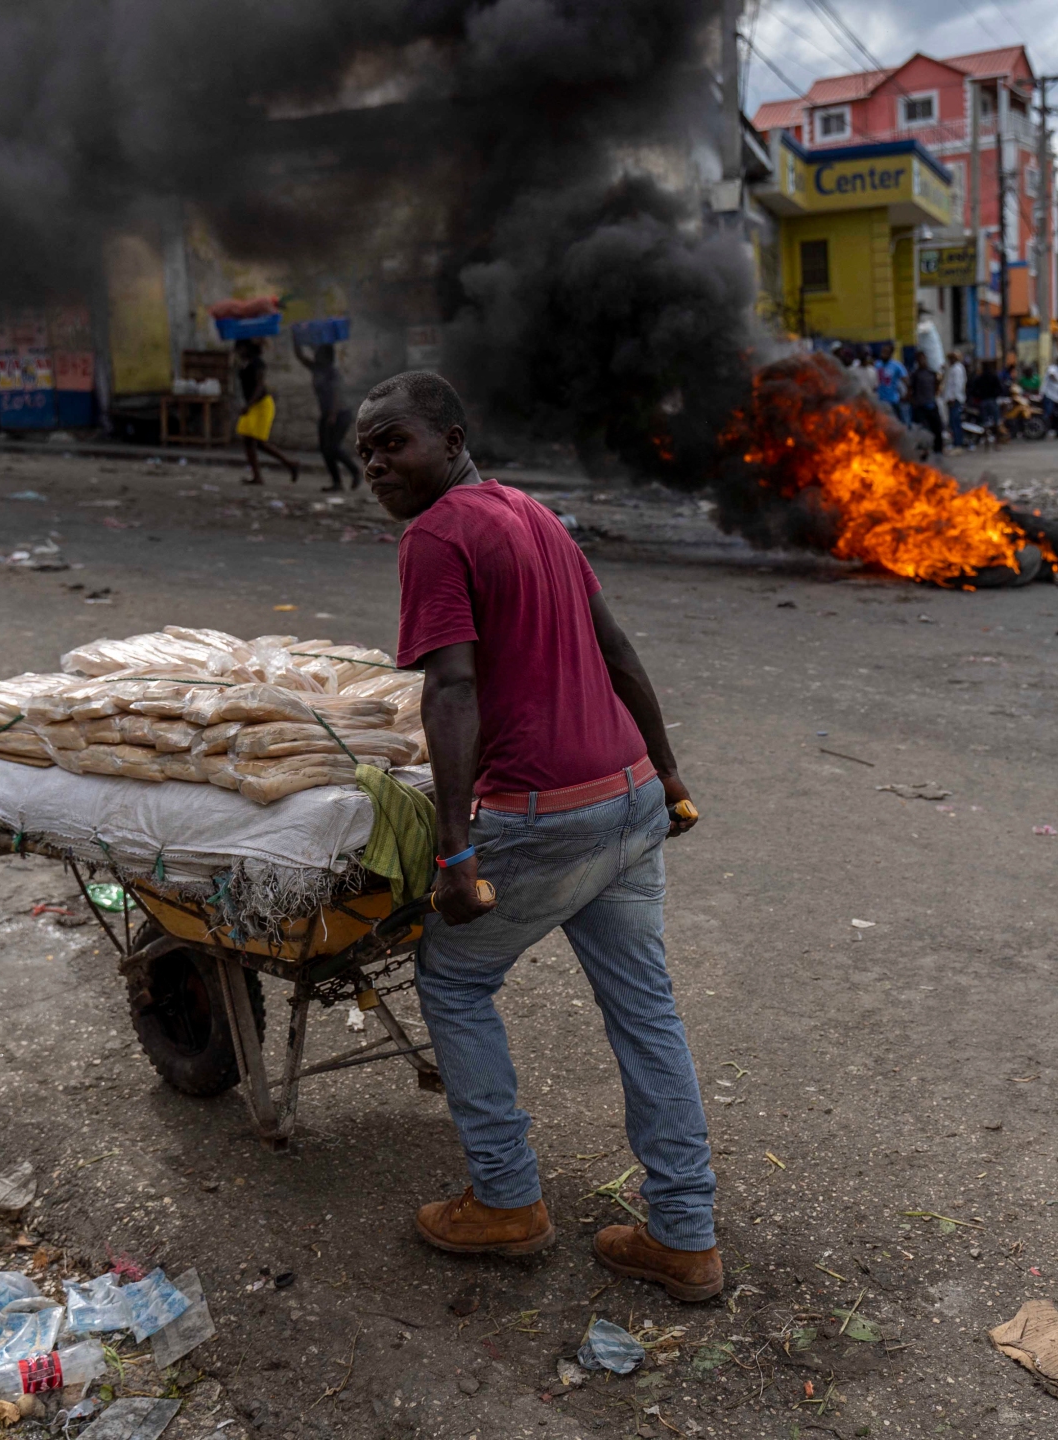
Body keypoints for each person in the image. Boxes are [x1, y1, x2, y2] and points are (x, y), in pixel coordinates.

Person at [356, 370, 721, 1303]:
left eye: (393, 441)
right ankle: (684, 1234)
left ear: (451, 435)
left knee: (454, 975)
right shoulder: (533, 513)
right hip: (630, 796)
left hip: (544, 814)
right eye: (363, 451)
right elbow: (618, 649)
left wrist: (454, 852)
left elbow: (452, 689)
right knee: (646, 1009)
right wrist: (669, 773)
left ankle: (507, 1201)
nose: (375, 464)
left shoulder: (438, 534)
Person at [293, 331, 361, 491]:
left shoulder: (332, 371)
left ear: (326, 355)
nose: (316, 354)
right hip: (327, 414)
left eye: (319, 352)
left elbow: (337, 393)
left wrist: (333, 414)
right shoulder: (317, 368)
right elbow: (300, 356)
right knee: (325, 449)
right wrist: (296, 338)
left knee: (333, 447)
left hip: (340, 414)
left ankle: (355, 471)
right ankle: (337, 482)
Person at [233, 339, 300, 486]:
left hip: (261, 405)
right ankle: (261, 475)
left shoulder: (258, 363)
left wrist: (248, 405)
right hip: (252, 405)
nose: (237, 352)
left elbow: (259, 386)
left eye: (239, 348)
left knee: (258, 442)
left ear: (247, 348)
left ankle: (289, 464)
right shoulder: (245, 364)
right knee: (249, 441)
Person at [908, 350, 944, 450]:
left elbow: (937, 387)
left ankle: (938, 452)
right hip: (921, 407)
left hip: (932, 405)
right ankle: (923, 452)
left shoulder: (931, 373)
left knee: (937, 430)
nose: (922, 361)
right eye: (920, 359)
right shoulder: (915, 375)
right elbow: (910, 390)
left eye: (923, 359)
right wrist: (914, 402)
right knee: (923, 431)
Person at [967, 358, 1003, 448]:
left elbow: (973, 390)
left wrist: (979, 396)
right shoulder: (994, 376)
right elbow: (1000, 388)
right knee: (997, 422)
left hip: (983, 401)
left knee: (985, 423)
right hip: (992, 400)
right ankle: (997, 443)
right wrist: (995, 395)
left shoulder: (979, 378)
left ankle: (987, 442)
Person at [941, 349, 968, 451]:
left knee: (955, 422)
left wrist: (953, 398)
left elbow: (957, 385)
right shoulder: (953, 368)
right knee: (953, 422)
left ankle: (958, 444)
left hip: (955, 399)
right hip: (952, 399)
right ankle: (955, 442)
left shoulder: (957, 369)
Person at [875, 344, 909, 424]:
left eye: (886, 352)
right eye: (883, 351)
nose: (883, 354)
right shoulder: (877, 364)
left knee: (897, 423)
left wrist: (907, 395)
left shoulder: (897, 366)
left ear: (891, 353)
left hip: (893, 401)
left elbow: (906, 381)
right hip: (880, 401)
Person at [1041, 360, 1058, 435]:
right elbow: (1051, 375)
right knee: (1048, 412)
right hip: (1049, 395)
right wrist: (1057, 380)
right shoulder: (1052, 368)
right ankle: (1044, 429)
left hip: (1056, 396)